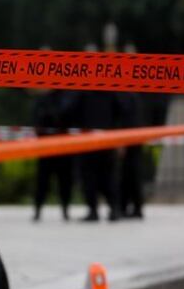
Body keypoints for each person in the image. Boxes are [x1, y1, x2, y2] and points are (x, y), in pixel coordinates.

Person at [64, 90, 132, 222]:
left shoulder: (85, 93)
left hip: (98, 142)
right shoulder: (103, 93)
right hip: (95, 142)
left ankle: (108, 209)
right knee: (97, 178)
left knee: (104, 177)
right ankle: (103, 210)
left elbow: (69, 110)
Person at [31, 89, 73, 221]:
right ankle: (38, 209)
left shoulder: (67, 97)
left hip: (63, 147)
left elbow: (70, 116)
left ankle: (65, 209)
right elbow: (36, 119)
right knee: (42, 181)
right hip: (46, 146)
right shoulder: (43, 99)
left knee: (64, 181)